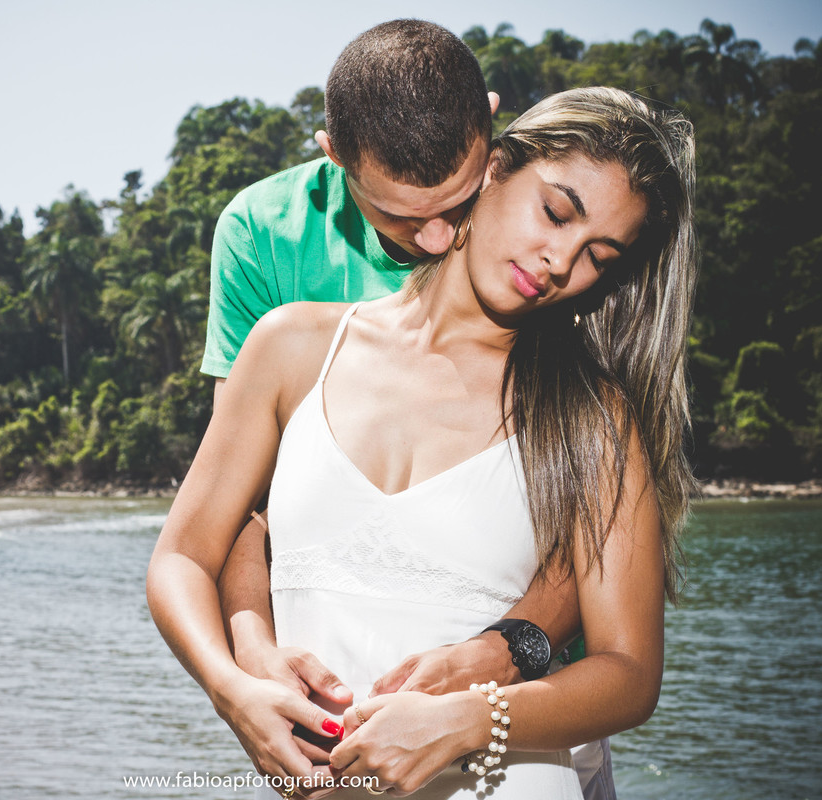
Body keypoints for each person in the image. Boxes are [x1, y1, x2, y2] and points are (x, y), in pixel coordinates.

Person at [148, 85, 696, 799]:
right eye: (556, 212)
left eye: (598, 254)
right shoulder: (292, 348)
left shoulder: (590, 417)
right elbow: (185, 556)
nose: (561, 259)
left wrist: (470, 720)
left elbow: (629, 674)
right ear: (494, 169)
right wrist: (233, 688)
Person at [202, 20, 611, 797]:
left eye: (457, 204)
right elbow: (239, 505)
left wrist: (505, 649)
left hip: (529, 703)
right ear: (334, 154)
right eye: (395, 215)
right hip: (334, 716)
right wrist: (250, 655)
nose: (433, 238)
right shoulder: (261, 234)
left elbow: (583, 499)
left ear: (490, 130)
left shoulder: (549, 225)